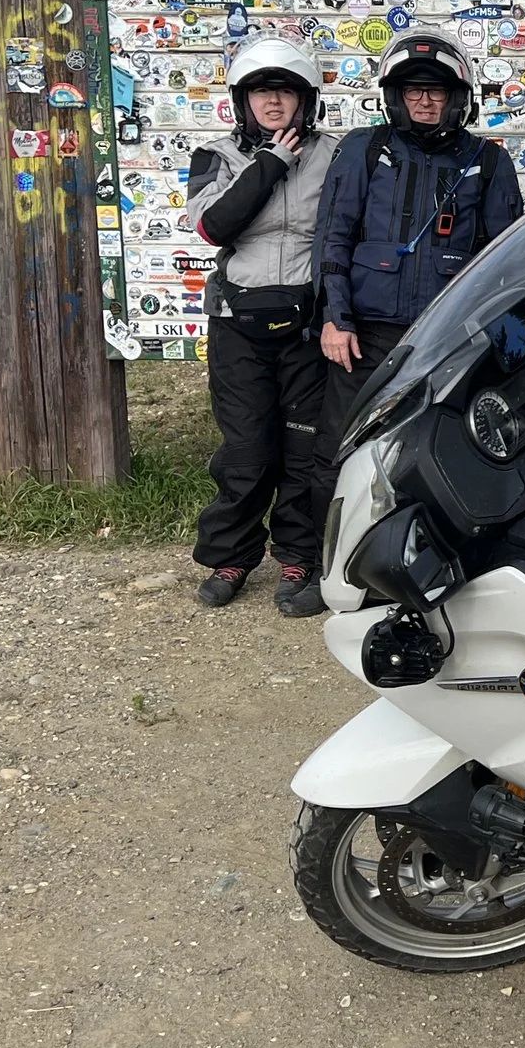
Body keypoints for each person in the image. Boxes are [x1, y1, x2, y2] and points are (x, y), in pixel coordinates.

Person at [311, 32, 522, 569]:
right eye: (413, 91)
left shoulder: (489, 162)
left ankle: (425, 559)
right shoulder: (364, 149)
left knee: (435, 450)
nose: (425, 101)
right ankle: (325, 563)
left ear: (458, 98)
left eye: (436, 91)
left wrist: (500, 341)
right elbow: (333, 240)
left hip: (447, 341)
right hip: (366, 335)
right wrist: (336, 319)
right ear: (394, 96)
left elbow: (509, 264)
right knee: (338, 447)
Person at [183, 36, 340, 615]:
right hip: (237, 324)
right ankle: (231, 555)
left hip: (305, 324)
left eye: (285, 91)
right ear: (241, 101)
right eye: (260, 91)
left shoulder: (334, 155)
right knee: (247, 450)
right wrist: (271, 163)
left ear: (306, 100)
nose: (273, 102)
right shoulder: (217, 157)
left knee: (304, 452)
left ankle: (298, 554)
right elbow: (213, 227)